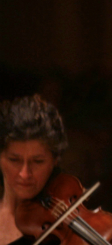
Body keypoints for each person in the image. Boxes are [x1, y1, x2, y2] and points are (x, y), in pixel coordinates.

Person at [0, 95, 68, 245]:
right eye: (14, 160)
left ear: (54, 160)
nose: (24, 174)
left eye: (38, 161)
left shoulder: (62, 232)